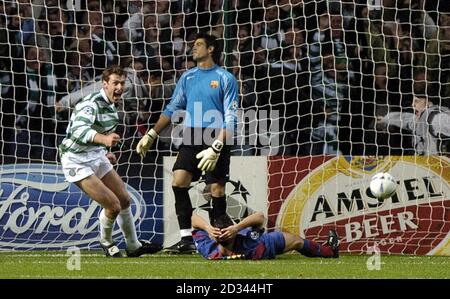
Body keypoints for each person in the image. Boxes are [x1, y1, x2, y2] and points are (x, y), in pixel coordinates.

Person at [136, 32, 239, 254]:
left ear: (211, 49)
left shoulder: (225, 78)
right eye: (193, 45)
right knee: (178, 181)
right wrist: (152, 134)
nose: (193, 49)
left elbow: (231, 115)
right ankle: (186, 239)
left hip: (216, 133)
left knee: (216, 189)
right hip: (192, 134)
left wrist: (218, 145)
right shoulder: (188, 77)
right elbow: (173, 107)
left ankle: (219, 237)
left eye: (199, 45)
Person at [59, 65, 162, 257]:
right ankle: (106, 242)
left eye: (122, 83)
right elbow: (78, 131)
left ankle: (133, 246)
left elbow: (99, 134)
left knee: (125, 199)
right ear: (105, 84)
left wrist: (104, 151)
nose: (120, 87)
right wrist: (105, 140)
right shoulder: (90, 104)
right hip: (76, 160)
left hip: (95, 155)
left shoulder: (112, 108)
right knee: (113, 206)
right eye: (115, 83)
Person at [191, 212, 340, 260]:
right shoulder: (208, 249)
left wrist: (236, 228)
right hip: (259, 247)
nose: (223, 235)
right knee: (297, 242)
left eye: (226, 232)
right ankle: (330, 252)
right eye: (219, 232)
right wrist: (207, 228)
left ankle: (330, 251)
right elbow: (193, 219)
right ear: (213, 235)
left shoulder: (208, 249)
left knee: (297, 242)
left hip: (266, 244)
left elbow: (260, 217)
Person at [377, 83, 450, 155]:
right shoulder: (422, 118)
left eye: (416, 101)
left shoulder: (436, 119)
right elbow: (406, 119)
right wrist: (385, 119)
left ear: (428, 103)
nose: (412, 105)